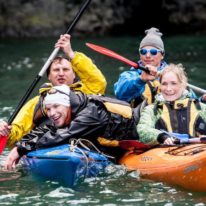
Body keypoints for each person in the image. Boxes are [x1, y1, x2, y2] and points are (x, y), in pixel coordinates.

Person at [0, 34, 107, 148]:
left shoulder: (87, 92)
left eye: (65, 69)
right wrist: (5, 131)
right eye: (56, 70)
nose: (61, 73)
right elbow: (17, 132)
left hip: (84, 146)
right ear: (49, 77)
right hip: (50, 148)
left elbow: (98, 81)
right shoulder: (37, 103)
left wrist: (71, 54)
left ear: (74, 74)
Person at [4, 85, 139, 170]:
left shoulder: (91, 113)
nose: (52, 113)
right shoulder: (73, 110)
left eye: (56, 106)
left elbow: (62, 135)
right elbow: (47, 129)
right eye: (48, 109)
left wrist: (21, 150)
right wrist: (19, 144)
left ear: (68, 105)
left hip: (139, 129)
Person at [137, 63, 206, 146]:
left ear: (182, 85)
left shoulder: (200, 108)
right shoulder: (151, 110)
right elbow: (143, 130)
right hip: (163, 154)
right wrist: (161, 137)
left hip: (197, 153)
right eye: (164, 84)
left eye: (173, 83)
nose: (168, 89)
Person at [114, 27, 167, 107]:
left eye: (153, 52)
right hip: (139, 117)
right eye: (143, 52)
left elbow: (190, 98)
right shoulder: (130, 75)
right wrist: (140, 80)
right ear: (140, 55)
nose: (148, 55)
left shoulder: (173, 74)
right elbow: (120, 94)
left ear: (162, 55)